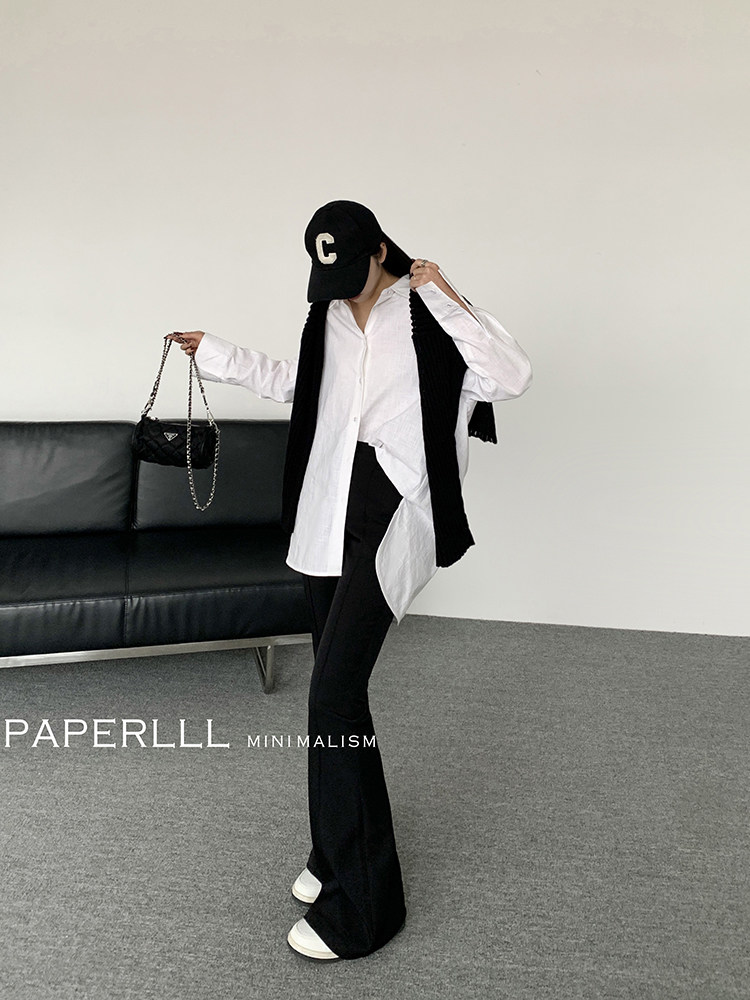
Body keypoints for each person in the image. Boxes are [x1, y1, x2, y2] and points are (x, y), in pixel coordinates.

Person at [169, 200, 532, 961]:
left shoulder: (427, 313)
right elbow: (300, 386)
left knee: (333, 692)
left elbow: (510, 376)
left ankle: (367, 906)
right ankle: (332, 850)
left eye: (348, 273)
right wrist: (219, 354)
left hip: (396, 505)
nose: (338, 291)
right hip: (329, 506)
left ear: (379, 252)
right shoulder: (329, 316)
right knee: (332, 692)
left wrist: (444, 294)